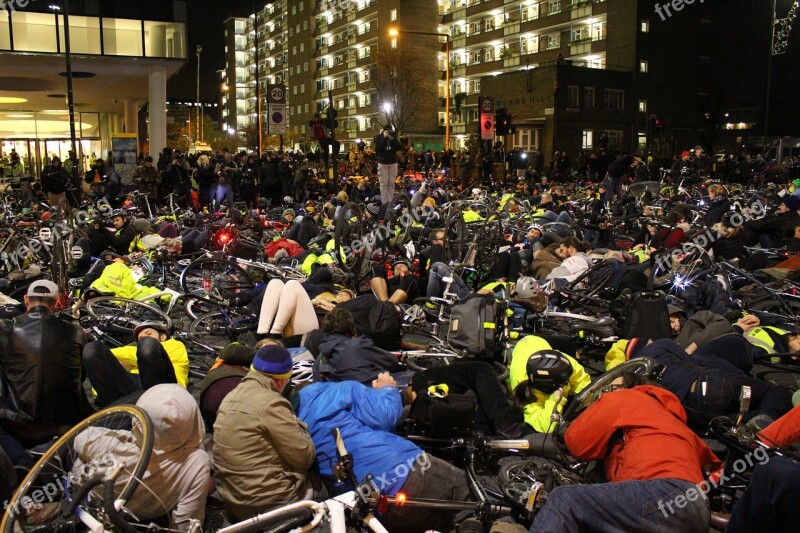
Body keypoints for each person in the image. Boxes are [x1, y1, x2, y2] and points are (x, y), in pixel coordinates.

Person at [529, 373, 721, 533]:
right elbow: (714, 469)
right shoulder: (673, 423)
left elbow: (577, 442)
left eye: (610, 388)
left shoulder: (628, 397)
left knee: (565, 499)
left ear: (628, 386)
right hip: (696, 510)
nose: (605, 393)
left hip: (662, 493)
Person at [297, 373, 471, 533]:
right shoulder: (337, 391)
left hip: (370, 504)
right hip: (403, 469)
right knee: (471, 495)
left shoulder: (293, 426)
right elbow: (386, 416)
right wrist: (388, 389)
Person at [76, 384, 210, 531]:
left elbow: (79, 440)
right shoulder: (197, 463)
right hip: (146, 515)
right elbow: (187, 522)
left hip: (92, 499)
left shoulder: (116, 445)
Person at [213, 343, 316, 521]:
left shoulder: (229, 398)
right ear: (281, 380)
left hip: (232, 499)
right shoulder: (272, 403)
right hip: (270, 503)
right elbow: (305, 456)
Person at [0, 280, 93, 469]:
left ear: (26, 300)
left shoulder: (5, 328)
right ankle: (58, 451)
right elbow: (80, 376)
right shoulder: (76, 332)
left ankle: (20, 460)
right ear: (57, 303)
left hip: (18, 424)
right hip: (65, 423)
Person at [82, 321, 189, 407]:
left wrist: (111, 354)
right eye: (140, 339)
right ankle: (110, 409)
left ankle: (153, 408)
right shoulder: (132, 359)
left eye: (148, 334)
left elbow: (142, 352)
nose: (143, 338)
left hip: (165, 390)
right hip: (133, 392)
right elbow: (104, 373)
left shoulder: (175, 345)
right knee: (92, 348)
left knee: (148, 345)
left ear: (163, 337)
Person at [508, 335, 590, 432]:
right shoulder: (526, 394)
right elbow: (545, 427)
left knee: (569, 342)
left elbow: (583, 382)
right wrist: (554, 400)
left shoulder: (565, 363)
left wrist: (590, 405)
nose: (567, 383)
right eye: (564, 382)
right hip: (521, 350)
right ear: (547, 385)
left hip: (537, 340)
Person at [313, 307, 401, 384]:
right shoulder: (358, 345)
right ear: (353, 330)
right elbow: (393, 362)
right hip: (370, 398)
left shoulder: (318, 362)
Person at [374, 124, 402, 204]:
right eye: (387, 131)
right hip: (383, 164)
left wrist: (393, 139)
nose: (388, 133)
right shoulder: (379, 137)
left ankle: (390, 202)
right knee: (384, 184)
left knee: (391, 184)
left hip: (393, 163)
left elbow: (399, 147)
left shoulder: (393, 137)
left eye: (389, 131)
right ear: (383, 131)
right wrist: (384, 137)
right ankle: (384, 203)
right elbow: (378, 148)